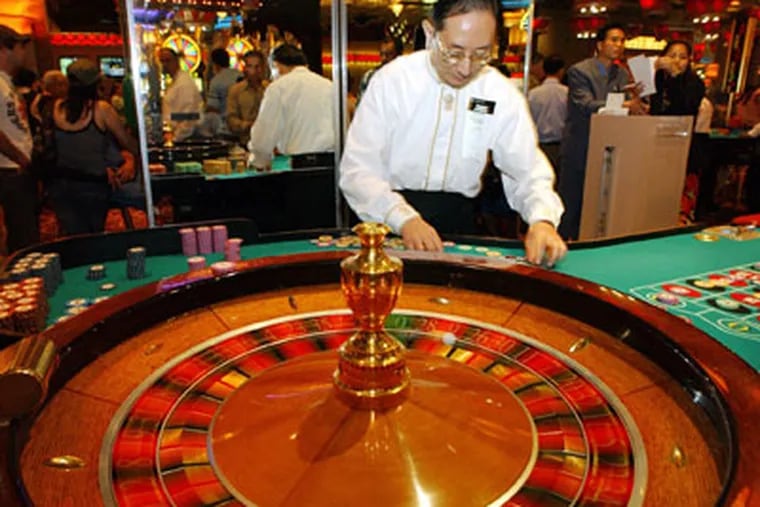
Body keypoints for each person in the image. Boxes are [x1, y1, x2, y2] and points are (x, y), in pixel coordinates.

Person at [339, 0, 566, 266]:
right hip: (387, 221)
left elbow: (527, 168)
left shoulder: (499, 92)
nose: (466, 68)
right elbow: (358, 171)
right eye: (454, 53)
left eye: (481, 54)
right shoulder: (392, 81)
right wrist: (404, 218)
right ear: (430, 32)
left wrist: (542, 219)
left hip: (458, 222)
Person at [557, 23, 647, 240]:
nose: (619, 45)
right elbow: (586, 104)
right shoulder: (579, 71)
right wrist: (626, 105)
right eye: (614, 39)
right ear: (600, 44)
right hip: (581, 146)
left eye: (622, 40)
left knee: (599, 204)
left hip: (610, 148)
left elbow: (626, 106)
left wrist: (638, 104)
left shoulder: (622, 75)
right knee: (571, 204)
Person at [48, 58, 138, 235]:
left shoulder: (54, 107)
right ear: (95, 83)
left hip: (59, 184)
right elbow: (126, 142)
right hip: (92, 185)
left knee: (72, 237)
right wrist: (131, 156)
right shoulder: (101, 109)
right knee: (92, 237)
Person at [247, 44, 334, 170]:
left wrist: (257, 161)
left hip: (301, 165)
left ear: (276, 65)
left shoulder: (278, 87)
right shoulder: (329, 85)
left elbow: (264, 133)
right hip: (333, 164)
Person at [0, 25, 39, 253]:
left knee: (24, 233)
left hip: (16, 168)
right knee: (23, 239)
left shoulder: (7, 82)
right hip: (9, 169)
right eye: (20, 46)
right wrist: (21, 159)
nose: (23, 53)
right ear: (5, 49)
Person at [528, 54, 567, 176]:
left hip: (539, 145)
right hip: (560, 146)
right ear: (561, 71)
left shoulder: (533, 94)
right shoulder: (567, 93)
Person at [650, 40, 705, 118]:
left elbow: (685, 108)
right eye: (672, 56)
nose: (676, 60)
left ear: (688, 61)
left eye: (683, 57)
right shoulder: (658, 77)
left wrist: (675, 73)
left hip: (681, 127)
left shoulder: (695, 82)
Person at [158, 48, 203, 142]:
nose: (165, 65)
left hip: (185, 138)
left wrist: (176, 138)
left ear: (176, 61)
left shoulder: (184, 83)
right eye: (162, 61)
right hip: (176, 135)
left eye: (168, 61)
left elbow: (189, 116)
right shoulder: (175, 82)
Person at [227, 50, 267, 146]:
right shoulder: (236, 90)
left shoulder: (270, 89)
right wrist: (248, 125)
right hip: (245, 143)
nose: (253, 71)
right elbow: (231, 120)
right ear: (244, 68)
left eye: (257, 67)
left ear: (262, 68)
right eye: (249, 66)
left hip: (269, 143)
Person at [203, 47, 241, 137]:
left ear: (214, 63)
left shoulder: (216, 81)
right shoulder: (240, 74)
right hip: (243, 126)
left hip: (226, 128)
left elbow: (212, 107)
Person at [357, 36, 403, 102]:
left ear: (398, 55)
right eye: (381, 54)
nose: (383, 58)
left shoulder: (404, 78)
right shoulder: (369, 76)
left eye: (388, 54)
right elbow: (361, 104)